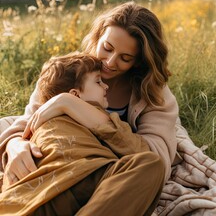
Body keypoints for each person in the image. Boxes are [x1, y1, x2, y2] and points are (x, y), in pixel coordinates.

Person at [0, 1, 179, 214]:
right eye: (107, 48)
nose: (110, 62)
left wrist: (70, 105)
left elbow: (156, 157)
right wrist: (14, 144)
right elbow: (30, 121)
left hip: (105, 176)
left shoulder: (153, 94)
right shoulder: (68, 70)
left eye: (125, 58)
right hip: (57, 169)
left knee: (151, 167)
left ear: (138, 61)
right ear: (98, 37)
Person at [1, 52, 162, 215]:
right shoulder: (45, 117)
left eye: (126, 57)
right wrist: (14, 143)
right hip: (63, 183)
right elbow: (138, 150)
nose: (106, 86)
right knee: (151, 163)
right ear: (76, 94)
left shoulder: (95, 115)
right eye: (98, 81)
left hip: (67, 192)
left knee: (150, 162)